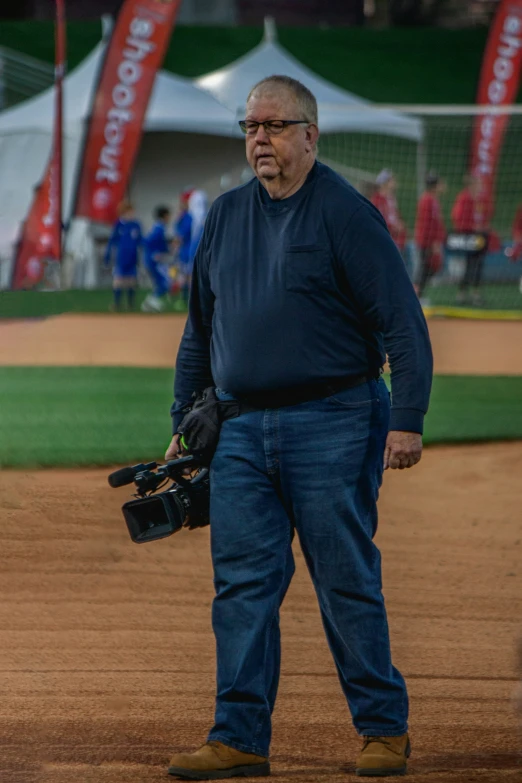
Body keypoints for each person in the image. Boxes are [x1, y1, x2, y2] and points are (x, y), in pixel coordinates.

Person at [166, 75, 433, 780]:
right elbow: (200, 329)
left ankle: (383, 730)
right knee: (242, 585)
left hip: (336, 419)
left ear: (310, 135)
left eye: (275, 126)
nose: (260, 138)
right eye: (251, 126)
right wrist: (181, 417)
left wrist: (406, 418)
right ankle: (239, 736)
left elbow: (403, 324)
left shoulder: (347, 214)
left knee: (344, 576)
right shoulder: (224, 215)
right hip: (242, 431)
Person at [451, 175, 491, 306]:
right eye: (478, 183)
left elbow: (483, 216)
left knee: (478, 264)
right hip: (469, 236)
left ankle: (475, 293)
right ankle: (462, 293)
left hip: (480, 236)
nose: (480, 186)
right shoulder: (464, 198)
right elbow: (458, 218)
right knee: (470, 264)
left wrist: (483, 227)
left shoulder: (480, 199)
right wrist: (471, 227)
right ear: (471, 184)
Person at [414, 171, 446, 304]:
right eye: (440, 183)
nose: (443, 186)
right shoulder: (428, 200)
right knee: (425, 269)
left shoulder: (431, 199)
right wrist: (433, 242)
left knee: (428, 268)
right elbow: (428, 222)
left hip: (428, 240)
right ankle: (416, 296)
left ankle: (418, 295)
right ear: (435, 185)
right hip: (426, 241)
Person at [104, 201, 142, 311]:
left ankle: (131, 304)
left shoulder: (136, 225)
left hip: (133, 257)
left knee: (131, 281)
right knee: (118, 281)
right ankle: (117, 303)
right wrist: (108, 255)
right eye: (130, 212)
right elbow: (112, 240)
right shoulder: (118, 225)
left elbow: (140, 240)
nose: (132, 214)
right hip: (121, 257)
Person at [141, 206, 172, 313]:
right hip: (153, 260)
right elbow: (149, 241)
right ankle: (151, 300)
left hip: (152, 259)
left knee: (161, 282)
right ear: (165, 216)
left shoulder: (157, 227)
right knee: (164, 282)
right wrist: (162, 251)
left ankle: (151, 301)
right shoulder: (159, 228)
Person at [371, 169, 407, 254]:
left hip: (397, 238)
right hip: (386, 239)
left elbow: (396, 216)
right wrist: (394, 227)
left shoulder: (391, 198)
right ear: (384, 183)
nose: (394, 182)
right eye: (391, 180)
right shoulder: (377, 200)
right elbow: (379, 220)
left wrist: (401, 224)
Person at [173, 191, 193, 306]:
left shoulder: (188, 217)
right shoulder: (182, 217)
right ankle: (185, 299)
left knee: (188, 276)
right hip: (184, 250)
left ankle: (188, 299)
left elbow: (181, 235)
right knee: (184, 275)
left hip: (188, 250)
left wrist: (175, 245)